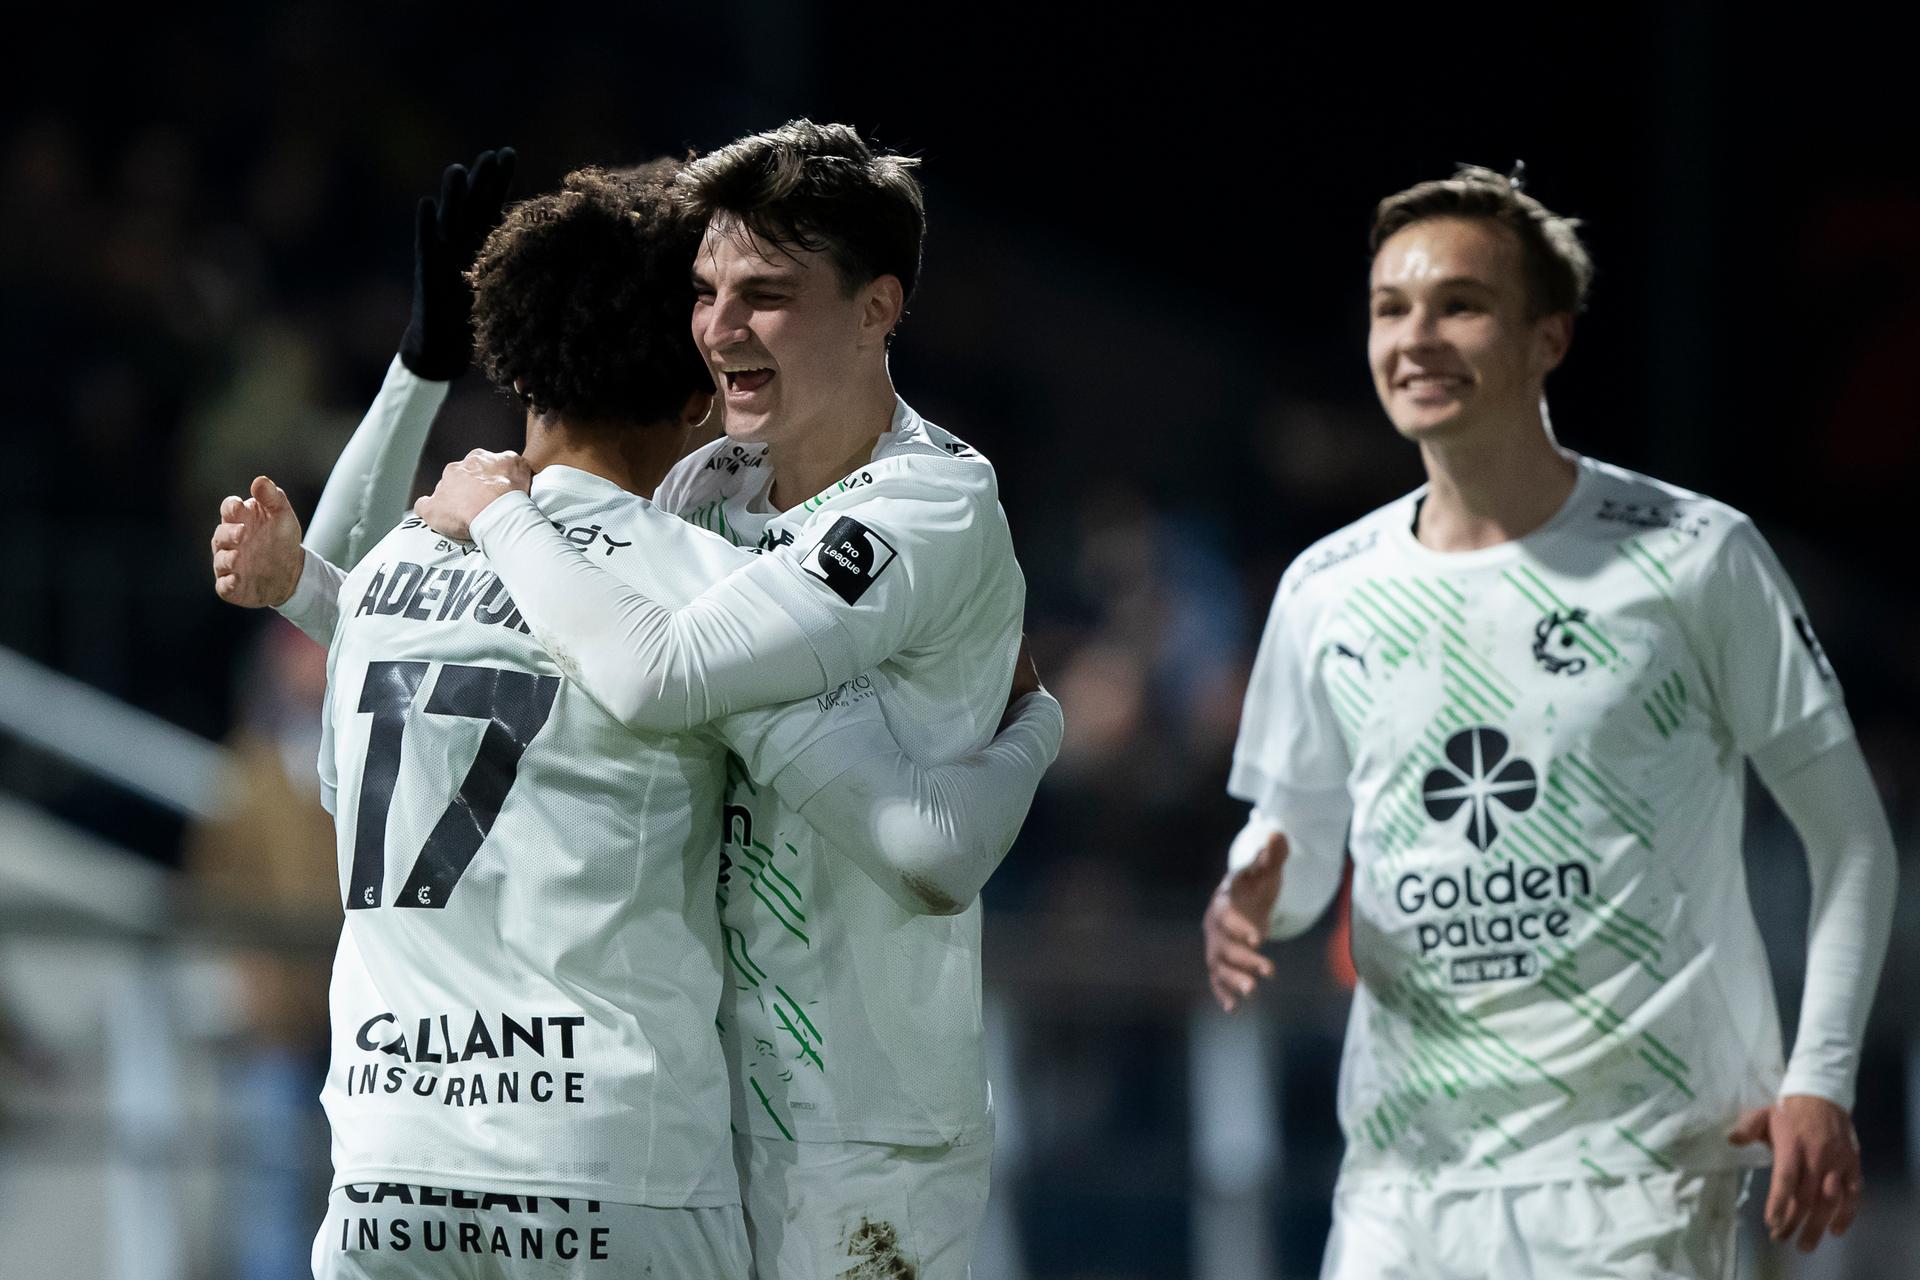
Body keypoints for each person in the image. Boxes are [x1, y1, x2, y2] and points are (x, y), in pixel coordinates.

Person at [214, 155, 1061, 1279]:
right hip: (612, 1169)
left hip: (385, 1168)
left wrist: (414, 383)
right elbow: (923, 844)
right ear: (690, 386)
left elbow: (358, 589)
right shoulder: (689, 580)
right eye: (706, 306)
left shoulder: (401, 570)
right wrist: (1037, 716)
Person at [1202, 165, 1897, 1278]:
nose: (1416, 336)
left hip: (1638, 1176)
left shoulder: (1692, 554)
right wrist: (1254, 883)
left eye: (1460, 304)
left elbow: (1851, 836)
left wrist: (1819, 1074)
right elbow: (1298, 853)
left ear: (1549, 338)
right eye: (1392, 308)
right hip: (1401, 1180)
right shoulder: (1325, 587)